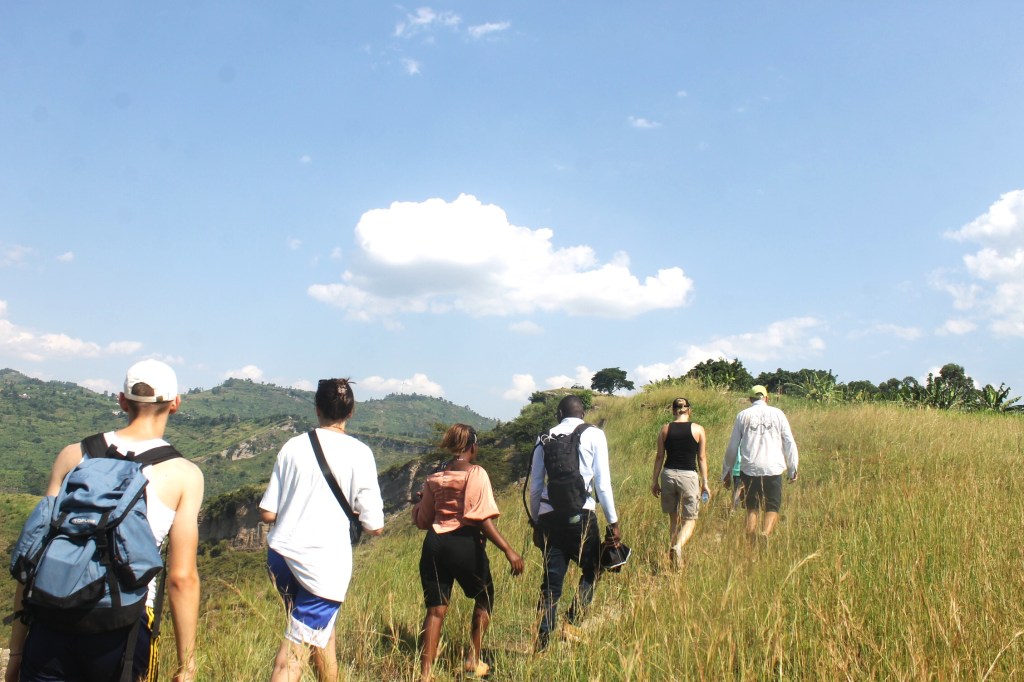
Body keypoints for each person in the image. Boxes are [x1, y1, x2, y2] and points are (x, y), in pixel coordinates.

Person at [6, 359, 205, 682]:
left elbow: (32, 555)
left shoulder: (72, 455)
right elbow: (182, 578)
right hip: (123, 630)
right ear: (175, 404)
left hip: (51, 622)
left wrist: (16, 652)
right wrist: (187, 666)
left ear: (122, 401)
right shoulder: (184, 475)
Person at [259, 378, 385, 682]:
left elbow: (267, 513)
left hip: (281, 557)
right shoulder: (360, 453)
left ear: (317, 409)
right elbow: (375, 526)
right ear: (352, 411)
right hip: (322, 567)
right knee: (293, 657)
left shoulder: (292, 446)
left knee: (321, 633)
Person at [412, 424, 524, 682]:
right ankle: (473, 659)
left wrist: (418, 502)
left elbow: (423, 519)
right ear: (473, 446)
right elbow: (481, 518)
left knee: (435, 610)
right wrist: (508, 550)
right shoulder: (476, 473)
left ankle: (425, 675)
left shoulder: (434, 477)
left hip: (434, 544)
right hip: (463, 542)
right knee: (484, 597)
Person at [529, 394, 620, 652]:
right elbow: (602, 483)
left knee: (550, 584)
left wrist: (536, 521)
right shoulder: (594, 434)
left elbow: (536, 487)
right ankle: (572, 621)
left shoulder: (544, 437)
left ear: (559, 414)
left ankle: (541, 646)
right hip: (582, 515)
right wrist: (613, 522)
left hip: (549, 517)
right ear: (583, 414)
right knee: (594, 567)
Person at [721, 385, 799, 542]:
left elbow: (733, 446)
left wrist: (726, 471)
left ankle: (750, 538)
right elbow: (789, 442)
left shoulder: (743, 415)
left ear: (750, 399)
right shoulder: (778, 414)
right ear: (767, 398)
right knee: (772, 505)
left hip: (750, 468)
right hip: (773, 467)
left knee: (752, 506)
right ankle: (765, 534)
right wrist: (793, 468)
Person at [651, 397, 709, 567]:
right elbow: (701, 457)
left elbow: (659, 456)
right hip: (688, 476)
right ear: (689, 410)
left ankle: (674, 559)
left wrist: (654, 481)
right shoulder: (698, 429)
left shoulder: (665, 429)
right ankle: (678, 546)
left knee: (673, 519)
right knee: (690, 519)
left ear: (673, 411)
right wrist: (705, 482)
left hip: (668, 475)